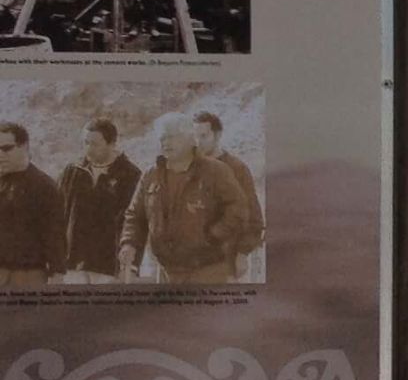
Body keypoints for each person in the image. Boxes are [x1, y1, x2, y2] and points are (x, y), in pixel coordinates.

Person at [117, 112, 250, 283]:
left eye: (171, 137)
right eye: (162, 138)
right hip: (167, 271)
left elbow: (238, 210)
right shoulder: (152, 174)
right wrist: (129, 243)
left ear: (189, 138)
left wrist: (212, 235)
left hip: (209, 270)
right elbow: (135, 215)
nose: (165, 143)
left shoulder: (216, 171)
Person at [57, 115, 138, 281]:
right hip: (72, 262)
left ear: (112, 143)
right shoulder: (72, 170)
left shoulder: (130, 175)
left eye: (94, 144)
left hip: (108, 265)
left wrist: (131, 266)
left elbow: (135, 222)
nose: (88, 149)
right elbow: (58, 213)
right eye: (85, 143)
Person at [192, 108, 265, 279]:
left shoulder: (237, 169)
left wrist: (243, 253)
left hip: (226, 261)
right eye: (195, 137)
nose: (198, 142)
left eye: (203, 136)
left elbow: (254, 218)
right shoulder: (189, 168)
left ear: (217, 136)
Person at [0, 120, 63, 284]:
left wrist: (57, 274)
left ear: (24, 147)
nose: (0, 154)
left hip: (28, 275)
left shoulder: (44, 186)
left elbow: (55, 234)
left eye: (6, 148)